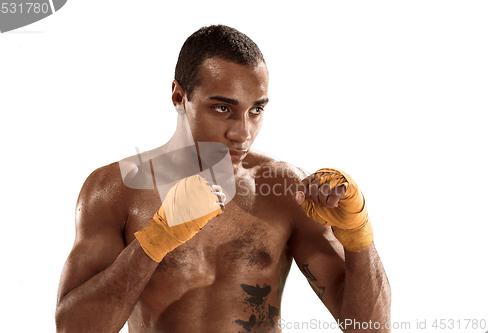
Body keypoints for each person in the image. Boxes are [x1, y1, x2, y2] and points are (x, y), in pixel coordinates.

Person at [55, 25, 391, 333]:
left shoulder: (287, 189)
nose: (242, 133)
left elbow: (369, 329)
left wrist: (358, 235)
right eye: (222, 108)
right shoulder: (116, 189)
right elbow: (74, 329)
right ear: (178, 97)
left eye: (256, 110)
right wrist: (154, 242)